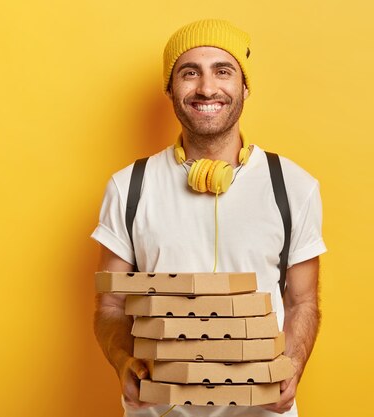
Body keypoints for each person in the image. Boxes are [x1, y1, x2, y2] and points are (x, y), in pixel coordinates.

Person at [92, 19, 327, 417]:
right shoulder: (128, 186)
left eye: (223, 70)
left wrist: (294, 367)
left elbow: (302, 300)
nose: (206, 88)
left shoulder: (293, 185)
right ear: (170, 89)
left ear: (245, 86)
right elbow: (110, 305)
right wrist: (123, 362)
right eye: (189, 72)